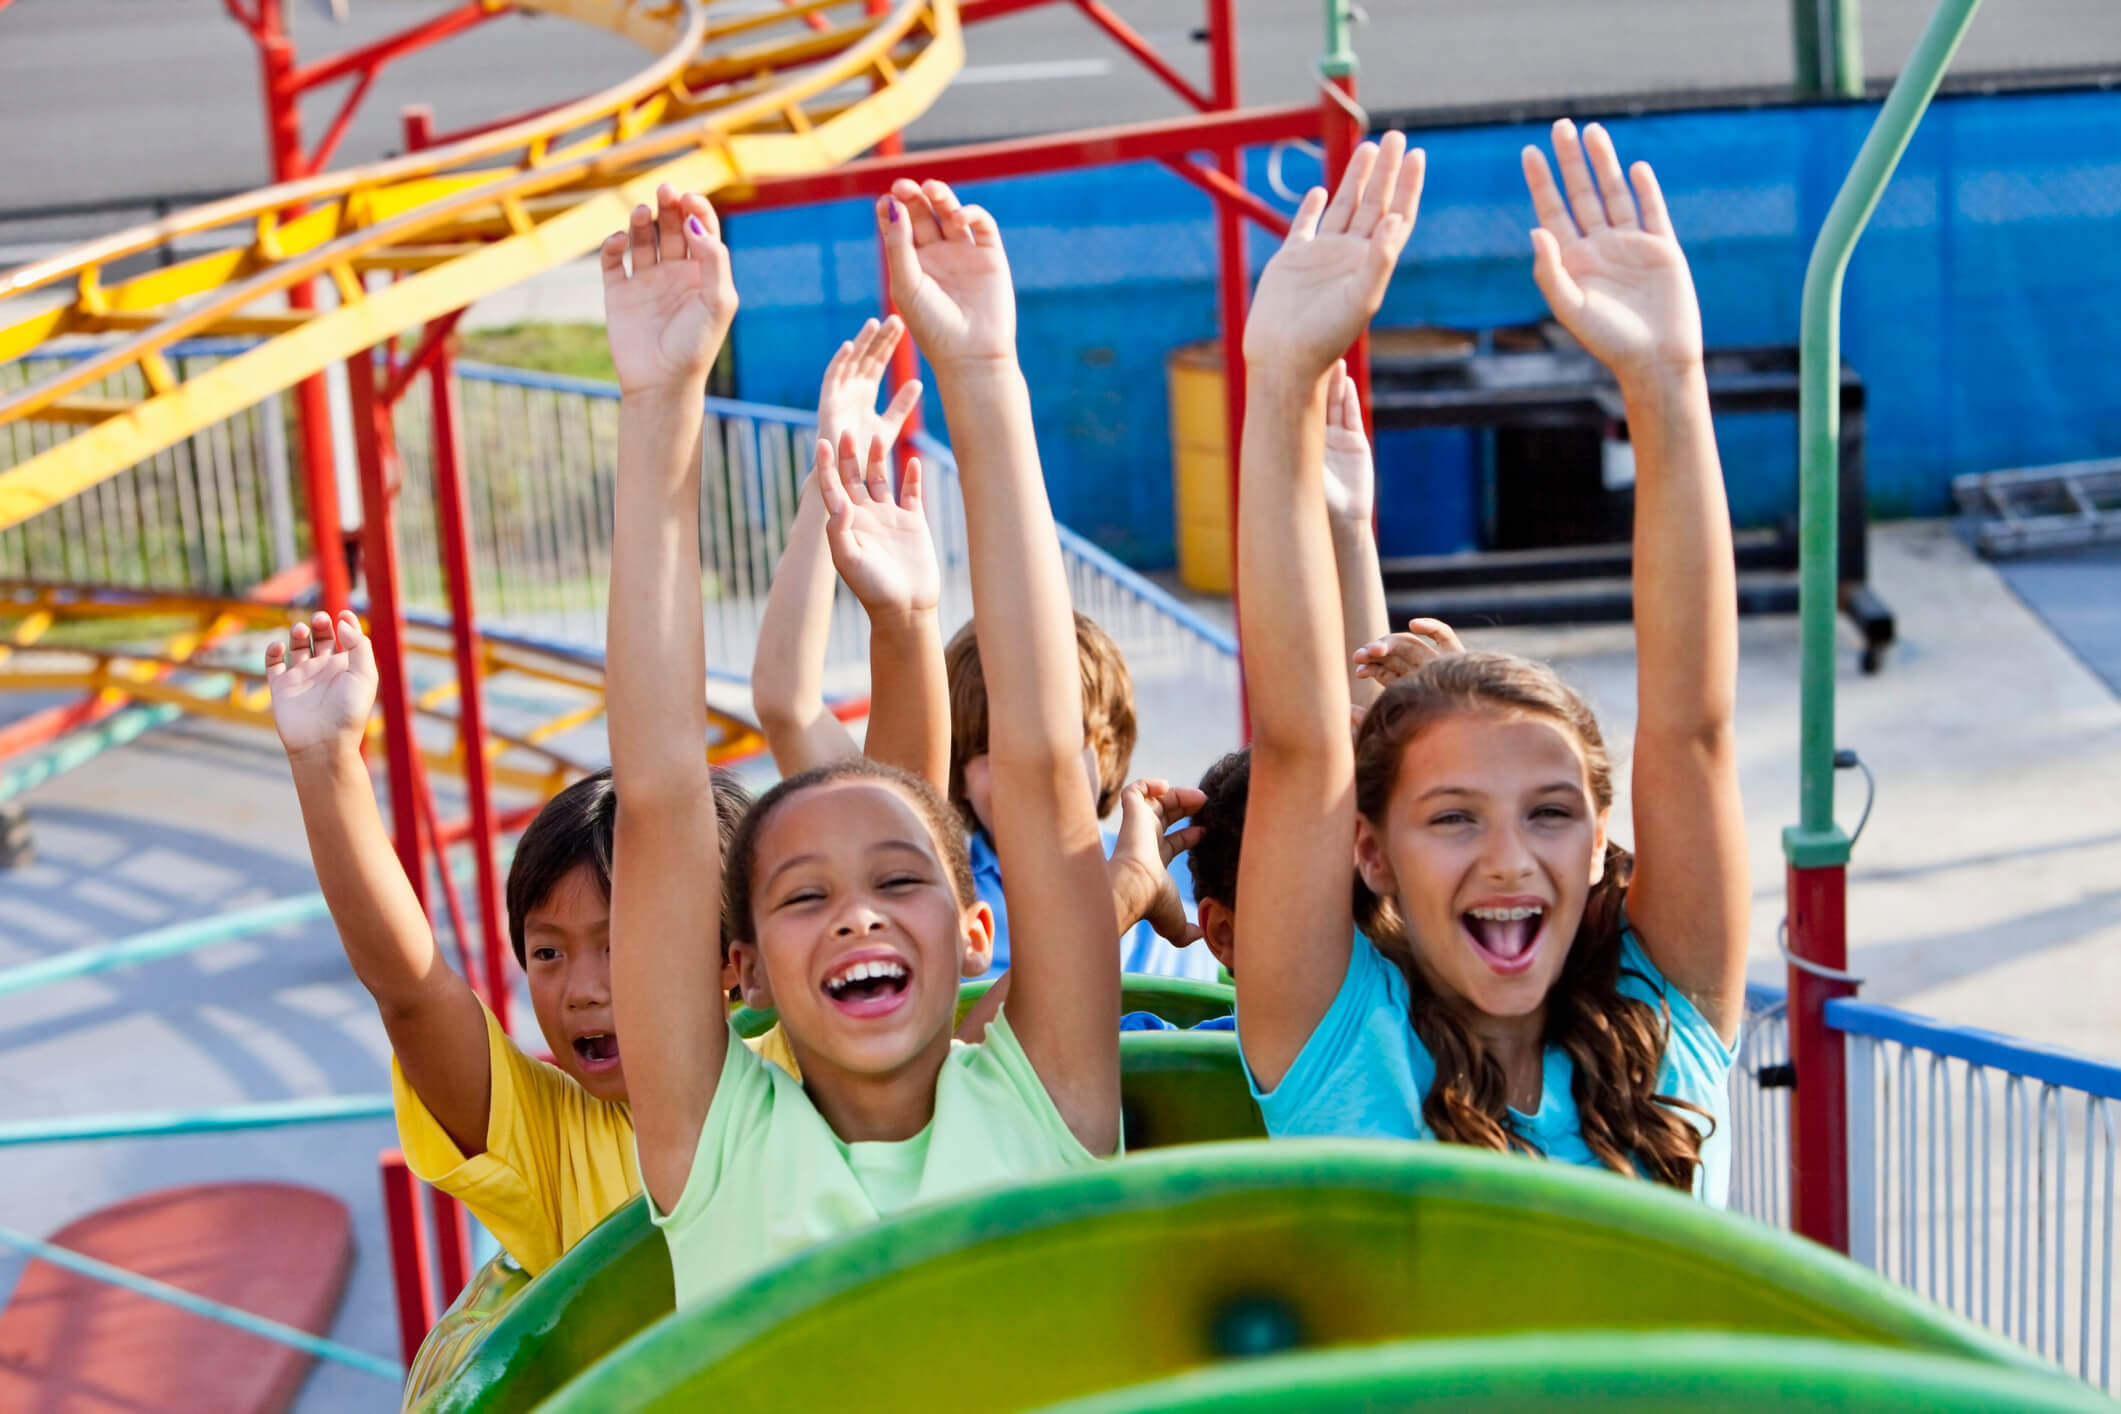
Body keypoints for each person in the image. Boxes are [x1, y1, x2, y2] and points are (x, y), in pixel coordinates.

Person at [600, 180, 1124, 1308]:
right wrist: (660, 403)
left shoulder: (1050, 1094)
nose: (858, 914)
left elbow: (1039, 769)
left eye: (900, 878)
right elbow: (657, 793)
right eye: (801, 897)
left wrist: (984, 380)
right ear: (736, 968)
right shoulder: (717, 1145)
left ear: (977, 926)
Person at [1233, 122, 1746, 1202]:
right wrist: (1280, 378)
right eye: (1455, 817)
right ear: (1370, 853)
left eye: (1550, 813)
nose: (1510, 857)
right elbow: (1298, 743)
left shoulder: (1661, 1031)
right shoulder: (1345, 1054)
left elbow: (1694, 728)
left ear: (1601, 837)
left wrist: (1664, 381)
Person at [263, 615, 792, 1276]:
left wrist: (900, 623)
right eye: (548, 953)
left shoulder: (804, 1074)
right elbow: (413, 993)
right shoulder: (550, 1137)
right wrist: (326, 760)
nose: (582, 989)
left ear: (727, 956)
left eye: (619, 945)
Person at [944, 613, 1214, 980]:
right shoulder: (944, 903)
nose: (1027, 770)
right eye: (992, 747)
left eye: (1056, 742)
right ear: (958, 769)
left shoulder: (1188, 866)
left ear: (1104, 752)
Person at [751, 313, 946, 791]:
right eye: (977, 748)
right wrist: (830, 480)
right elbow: (787, 706)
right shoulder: (921, 846)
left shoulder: (1080, 860)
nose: (994, 769)